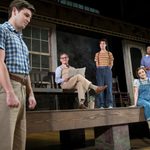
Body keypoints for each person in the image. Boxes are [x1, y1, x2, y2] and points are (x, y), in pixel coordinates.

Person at [0, 0, 37, 150]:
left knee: (19, 141)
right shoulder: (2, 30)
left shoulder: (22, 42)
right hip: (8, 87)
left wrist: (31, 94)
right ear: (14, 11)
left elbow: (26, 71)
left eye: (30, 17)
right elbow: (0, 63)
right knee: (5, 140)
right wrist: (9, 92)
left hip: (22, 90)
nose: (28, 19)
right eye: (26, 15)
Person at [94, 38, 114, 108]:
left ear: (105, 45)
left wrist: (108, 68)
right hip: (100, 70)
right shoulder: (97, 54)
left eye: (103, 43)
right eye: (100, 44)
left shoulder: (109, 53)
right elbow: (97, 63)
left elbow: (111, 63)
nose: (101, 45)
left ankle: (110, 104)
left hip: (107, 69)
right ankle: (101, 104)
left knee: (109, 87)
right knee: (100, 87)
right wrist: (100, 68)